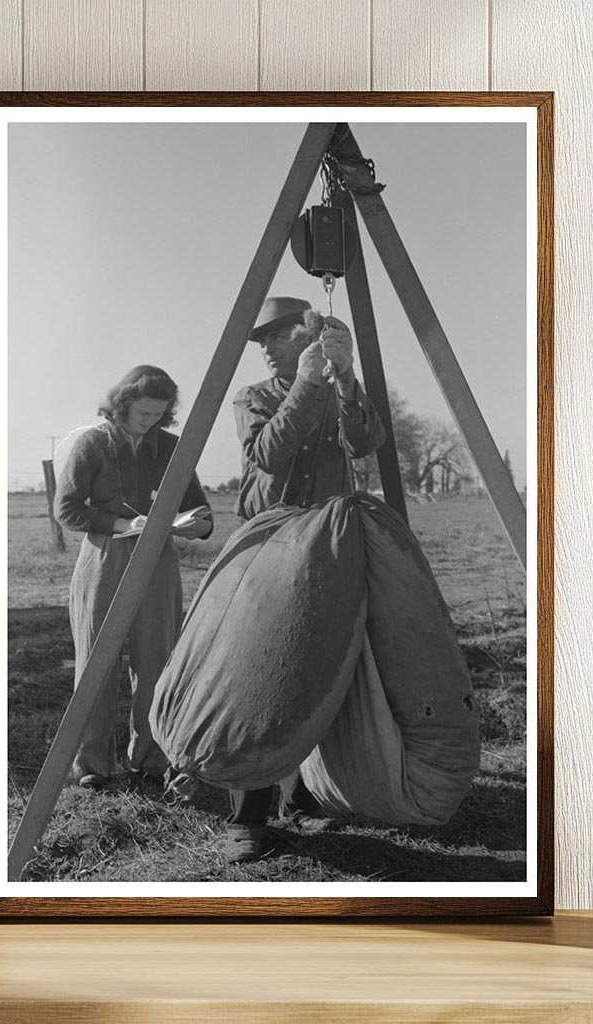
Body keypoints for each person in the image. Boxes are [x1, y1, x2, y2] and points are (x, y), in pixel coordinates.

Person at [224, 296, 387, 862]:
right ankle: (247, 820)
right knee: (256, 677)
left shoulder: (338, 388)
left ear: (310, 335)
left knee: (315, 664)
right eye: (262, 341)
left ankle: (301, 802)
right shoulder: (253, 396)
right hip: (267, 548)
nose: (266, 348)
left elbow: (365, 443)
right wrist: (308, 384)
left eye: (277, 335)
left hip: (326, 546)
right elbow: (268, 455)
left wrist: (347, 377)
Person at [54, 365, 213, 790]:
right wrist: (123, 524)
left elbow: (199, 507)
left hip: (159, 562)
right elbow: (67, 509)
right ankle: (92, 765)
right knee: (96, 664)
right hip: (105, 559)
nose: (152, 421)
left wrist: (199, 525)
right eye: (145, 413)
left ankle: (151, 760)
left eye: (160, 414)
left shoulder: (173, 447)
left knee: (156, 661)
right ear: (122, 404)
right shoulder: (92, 443)